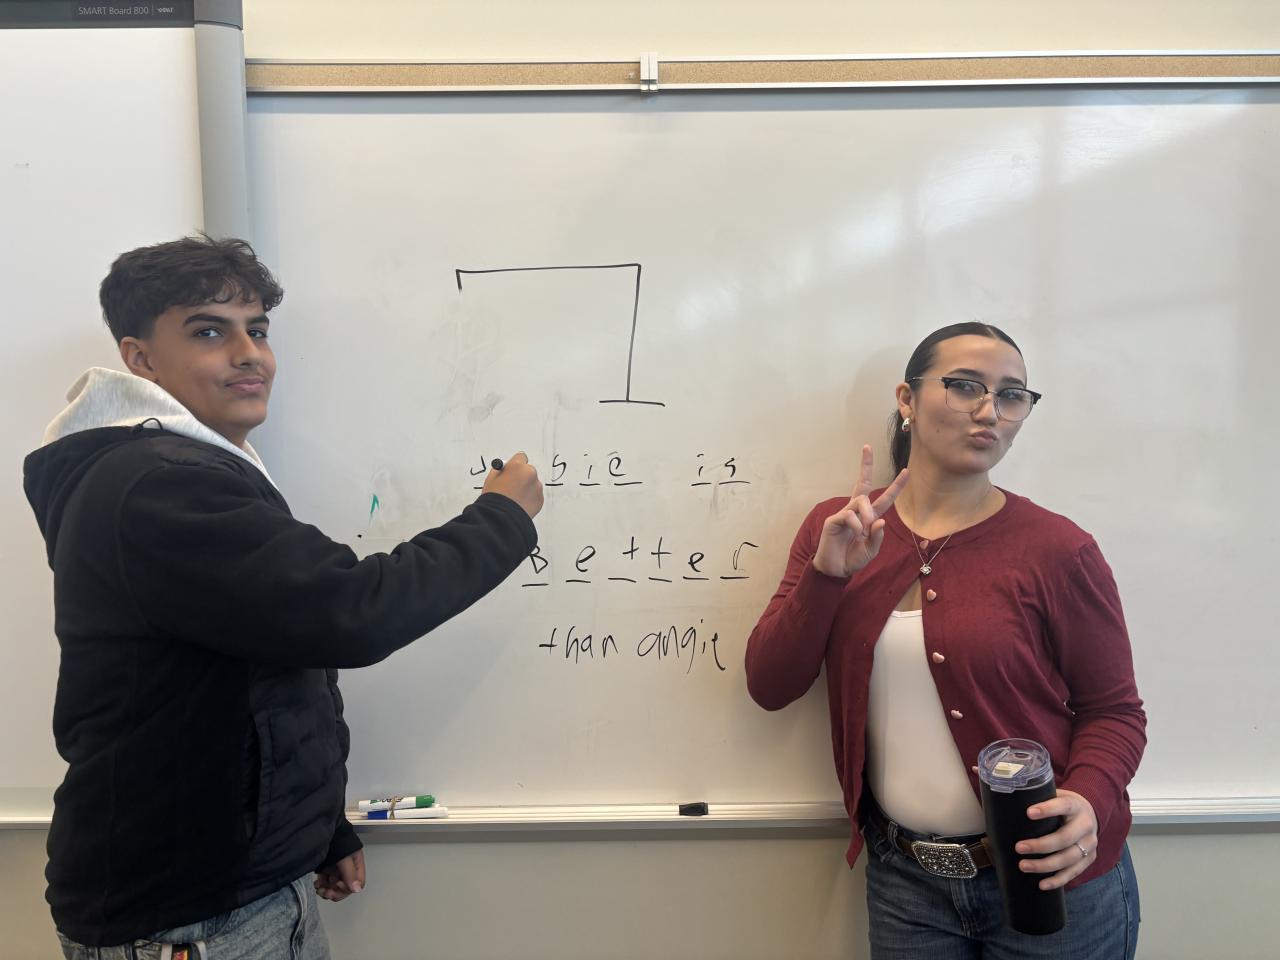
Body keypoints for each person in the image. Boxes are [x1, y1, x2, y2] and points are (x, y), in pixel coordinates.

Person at [23, 235, 544, 959]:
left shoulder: (191, 467)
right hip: (191, 920)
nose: (250, 355)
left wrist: (319, 827)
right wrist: (502, 518)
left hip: (243, 890)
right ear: (140, 358)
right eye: (209, 331)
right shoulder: (158, 484)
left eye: (258, 330)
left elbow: (275, 663)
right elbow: (348, 612)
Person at [744, 322, 1145, 958]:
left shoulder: (1058, 548)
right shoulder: (839, 527)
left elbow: (1114, 711)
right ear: (907, 399)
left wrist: (1090, 800)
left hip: (1051, 881)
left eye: (1011, 395)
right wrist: (826, 576)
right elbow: (770, 686)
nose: (989, 411)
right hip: (906, 883)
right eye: (964, 386)